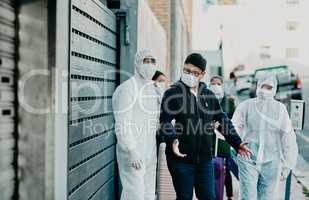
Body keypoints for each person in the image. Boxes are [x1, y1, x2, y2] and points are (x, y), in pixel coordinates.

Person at [159, 53, 252, 200]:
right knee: (184, 197)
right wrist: (172, 140)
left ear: (202, 74)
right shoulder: (173, 93)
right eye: (187, 71)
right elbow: (165, 121)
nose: (189, 75)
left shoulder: (208, 95)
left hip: (204, 161)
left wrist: (237, 142)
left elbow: (222, 119)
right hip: (181, 159)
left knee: (209, 197)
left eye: (194, 73)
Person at [231, 74, 298, 200]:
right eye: (263, 86)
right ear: (258, 86)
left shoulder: (280, 109)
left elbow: (288, 137)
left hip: (271, 162)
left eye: (269, 87)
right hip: (248, 159)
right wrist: (236, 145)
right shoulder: (246, 106)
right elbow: (234, 126)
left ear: (274, 89)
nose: (265, 90)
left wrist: (288, 165)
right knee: (248, 197)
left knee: (267, 197)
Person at [112, 49, 161, 200]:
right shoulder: (127, 88)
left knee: (148, 194)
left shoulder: (153, 90)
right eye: (146, 61)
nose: (150, 65)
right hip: (132, 153)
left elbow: (156, 119)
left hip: (150, 151)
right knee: (135, 195)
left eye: (153, 61)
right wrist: (131, 149)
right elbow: (122, 123)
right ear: (138, 63)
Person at [209, 75, 238, 200]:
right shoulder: (205, 99)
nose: (215, 85)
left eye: (218, 83)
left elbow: (234, 120)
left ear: (222, 85)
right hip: (209, 139)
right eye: (213, 83)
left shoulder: (229, 102)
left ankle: (229, 195)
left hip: (223, 139)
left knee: (225, 168)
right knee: (213, 168)